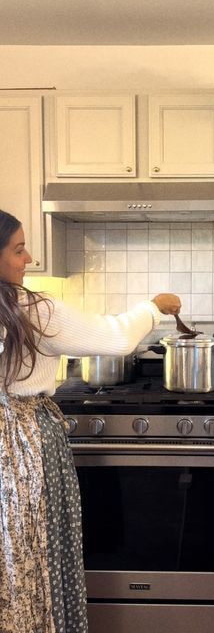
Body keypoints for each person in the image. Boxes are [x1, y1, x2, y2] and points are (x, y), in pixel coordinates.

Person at [0, 208, 181, 633]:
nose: (28, 260)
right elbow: (114, 337)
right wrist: (154, 308)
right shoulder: (29, 308)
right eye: (19, 249)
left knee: (13, 564)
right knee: (39, 557)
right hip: (25, 445)